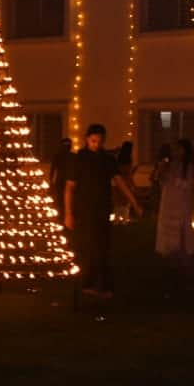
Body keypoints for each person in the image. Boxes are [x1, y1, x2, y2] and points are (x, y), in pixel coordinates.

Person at [64, 124, 143, 298]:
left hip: (102, 209)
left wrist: (134, 202)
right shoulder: (79, 159)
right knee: (87, 247)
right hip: (84, 210)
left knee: (103, 247)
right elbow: (69, 187)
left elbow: (119, 181)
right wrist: (68, 213)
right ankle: (88, 283)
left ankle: (104, 285)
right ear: (87, 139)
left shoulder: (106, 160)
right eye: (93, 141)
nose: (96, 144)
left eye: (100, 141)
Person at [155, 139, 194, 272]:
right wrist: (161, 169)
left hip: (181, 204)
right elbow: (159, 180)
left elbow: (187, 185)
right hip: (168, 202)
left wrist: (175, 179)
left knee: (181, 231)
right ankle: (168, 258)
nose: (176, 152)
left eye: (179, 149)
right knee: (167, 231)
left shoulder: (187, 167)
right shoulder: (168, 164)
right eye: (174, 150)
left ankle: (183, 260)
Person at [48, 138, 74, 223]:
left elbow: (52, 171)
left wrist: (51, 184)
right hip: (65, 181)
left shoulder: (58, 156)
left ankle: (62, 219)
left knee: (61, 203)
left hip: (61, 181)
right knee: (64, 202)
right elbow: (52, 171)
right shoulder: (72, 156)